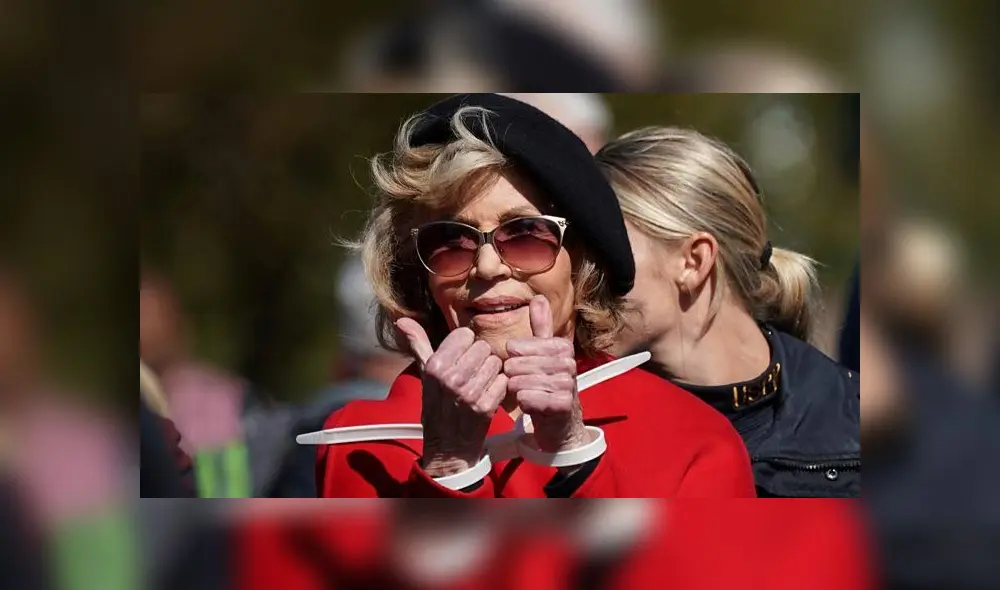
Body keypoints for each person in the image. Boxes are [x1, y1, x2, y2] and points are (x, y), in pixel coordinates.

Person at [315, 93, 754, 498]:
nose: (487, 266)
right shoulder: (361, 445)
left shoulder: (692, 441)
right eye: (451, 241)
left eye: (526, 234)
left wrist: (573, 457)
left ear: (581, 260)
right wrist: (450, 466)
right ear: (420, 271)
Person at [594, 126, 860, 497]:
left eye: (601, 251)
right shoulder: (581, 427)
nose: (579, 279)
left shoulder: (861, 424)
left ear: (693, 261)